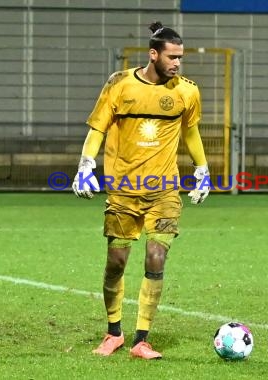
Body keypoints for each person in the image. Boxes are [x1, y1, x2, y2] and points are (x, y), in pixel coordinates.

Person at [72, 21, 210, 360]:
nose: (178, 63)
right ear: (153, 54)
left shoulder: (187, 91)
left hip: (164, 190)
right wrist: (86, 164)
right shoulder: (119, 85)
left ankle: (142, 340)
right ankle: (114, 332)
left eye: (181, 58)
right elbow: (98, 127)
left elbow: (190, 132)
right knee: (116, 262)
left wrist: (202, 169)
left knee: (156, 256)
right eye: (172, 57)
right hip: (123, 190)